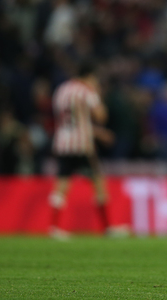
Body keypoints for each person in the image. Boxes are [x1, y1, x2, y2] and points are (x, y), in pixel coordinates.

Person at [49, 62, 116, 239]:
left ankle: (54, 227)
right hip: (82, 145)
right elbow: (101, 116)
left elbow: (70, 120)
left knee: (61, 185)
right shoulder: (87, 91)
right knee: (99, 183)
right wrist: (98, 95)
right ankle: (107, 227)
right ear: (90, 76)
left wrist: (98, 134)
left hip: (62, 143)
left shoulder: (61, 90)